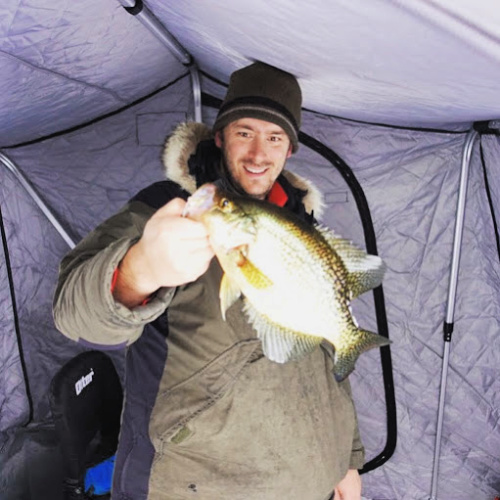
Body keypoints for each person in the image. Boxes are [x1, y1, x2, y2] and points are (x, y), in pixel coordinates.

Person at [53, 62, 364, 500]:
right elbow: (71, 313)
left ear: (289, 150)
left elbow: (327, 354)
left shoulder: (302, 231)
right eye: (244, 133)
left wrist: (345, 458)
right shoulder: (166, 209)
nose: (259, 154)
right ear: (219, 136)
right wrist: (141, 269)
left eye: (274, 138)